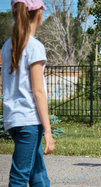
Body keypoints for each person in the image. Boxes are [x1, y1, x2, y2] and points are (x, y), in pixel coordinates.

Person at [1, 0, 55, 186]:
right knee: (19, 177)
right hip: (29, 121)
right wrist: (48, 130)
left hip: (14, 119)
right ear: (38, 14)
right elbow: (39, 91)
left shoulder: (7, 45)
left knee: (38, 173)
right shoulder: (34, 46)